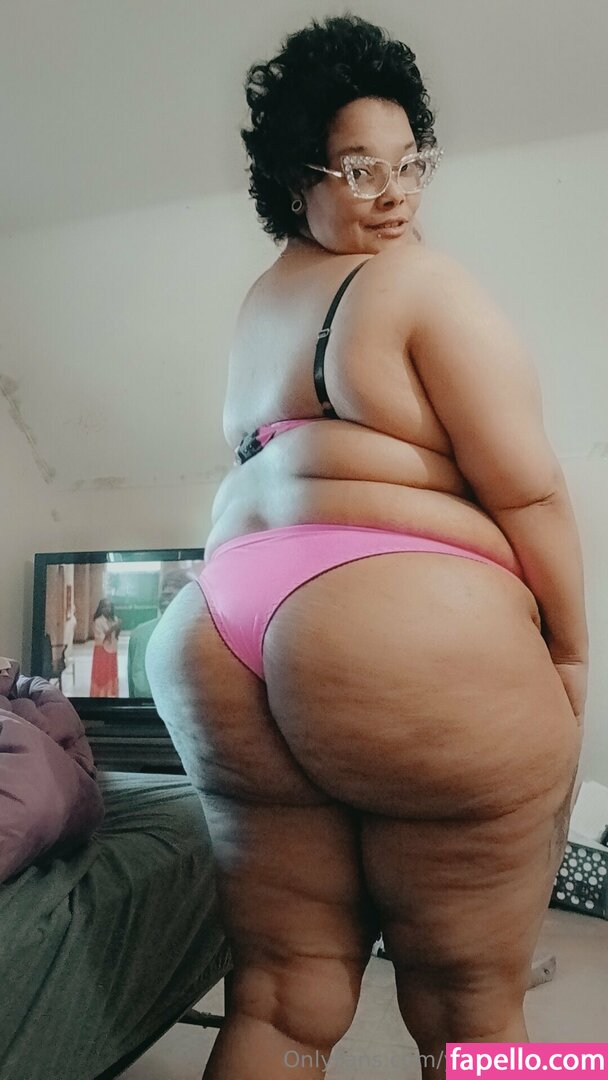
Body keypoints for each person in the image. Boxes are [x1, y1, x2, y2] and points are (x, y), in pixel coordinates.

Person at [145, 15, 588, 1079]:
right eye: (358, 169)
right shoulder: (423, 286)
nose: (395, 195)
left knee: (279, 995)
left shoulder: (262, 303)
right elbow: (528, 489)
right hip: (385, 628)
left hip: (214, 634)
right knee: (474, 1013)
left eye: (408, 163)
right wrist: (571, 655)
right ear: (293, 176)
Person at [127, 570, 193, 697]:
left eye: (177, 586)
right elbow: (134, 692)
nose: (166, 593)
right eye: (165, 588)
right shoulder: (140, 634)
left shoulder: (202, 636)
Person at [90, 599, 120, 697]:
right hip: (101, 651)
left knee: (111, 672)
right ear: (101, 608)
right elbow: (100, 638)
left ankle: (111, 693)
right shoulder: (98, 621)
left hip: (112, 650)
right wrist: (112, 629)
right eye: (104, 607)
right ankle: (100, 694)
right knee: (102, 674)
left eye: (109, 606)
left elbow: (115, 636)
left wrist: (118, 629)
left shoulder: (115, 619)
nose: (107, 609)